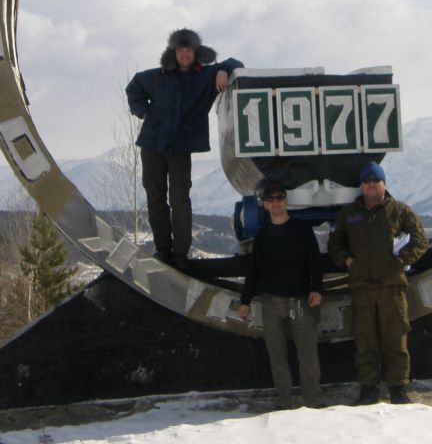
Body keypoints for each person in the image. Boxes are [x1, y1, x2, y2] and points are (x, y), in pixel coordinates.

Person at [126, 28, 243, 270]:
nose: (185, 54)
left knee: (180, 200)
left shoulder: (206, 76)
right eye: (180, 50)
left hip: (180, 147)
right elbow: (134, 87)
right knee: (155, 199)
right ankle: (163, 251)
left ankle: (180, 255)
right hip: (152, 144)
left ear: (196, 51)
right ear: (174, 52)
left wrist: (223, 70)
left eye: (189, 49)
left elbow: (235, 63)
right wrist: (144, 112)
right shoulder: (158, 76)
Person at [328, 161, 428, 405]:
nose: (371, 185)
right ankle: (368, 389)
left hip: (391, 287)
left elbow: (420, 239)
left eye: (376, 181)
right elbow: (335, 243)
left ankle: (398, 388)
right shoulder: (349, 214)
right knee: (365, 341)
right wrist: (347, 260)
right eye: (366, 181)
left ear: (384, 184)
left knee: (396, 338)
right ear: (361, 185)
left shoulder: (399, 211)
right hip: (361, 287)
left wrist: (402, 259)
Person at [238, 181, 326, 410]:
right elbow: (254, 270)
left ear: (286, 201)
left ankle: (313, 399)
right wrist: (245, 301)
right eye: (271, 200)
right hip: (271, 302)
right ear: (265, 204)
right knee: (276, 355)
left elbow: (315, 261)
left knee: (308, 354)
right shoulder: (262, 236)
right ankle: (284, 400)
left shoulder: (302, 230)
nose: (276, 203)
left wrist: (316, 289)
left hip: (301, 301)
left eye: (279, 198)